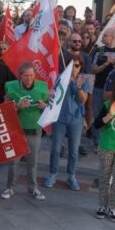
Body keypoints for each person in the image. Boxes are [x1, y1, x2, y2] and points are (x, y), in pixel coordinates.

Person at [1, 62, 48, 201]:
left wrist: (45, 106)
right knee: (13, 161)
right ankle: (10, 187)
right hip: (17, 129)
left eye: (31, 75)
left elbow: (50, 106)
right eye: (26, 75)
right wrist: (17, 106)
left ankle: (33, 188)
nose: (29, 78)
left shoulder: (42, 87)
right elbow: (5, 108)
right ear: (19, 76)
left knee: (32, 161)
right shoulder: (11, 86)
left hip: (34, 129)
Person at [44, 55, 90, 191]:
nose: (74, 68)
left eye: (77, 66)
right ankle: (52, 174)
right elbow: (51, 93)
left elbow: (83, 100)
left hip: (76, 119)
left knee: (74, 151)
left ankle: (71, 176)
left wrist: (78, 86)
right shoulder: (60, 77)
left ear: (80, 67)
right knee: (55, 148)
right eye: (72, 65)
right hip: (59, 118)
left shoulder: (85, 79)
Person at [94, 77, 115, 223]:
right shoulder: (107, 104)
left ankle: (114, 207)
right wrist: (110, 115)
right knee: (104, 178)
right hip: (106, 146)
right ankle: (102, 206)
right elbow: (96, 125)